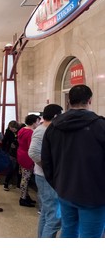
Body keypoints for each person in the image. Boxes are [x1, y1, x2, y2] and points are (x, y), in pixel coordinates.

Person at [42, 84, 105, 238]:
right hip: (94, 195)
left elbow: (46, 160)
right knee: (90, 238)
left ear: (68, 101)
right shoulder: (100, 125)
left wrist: (58, 185)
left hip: (65, 191)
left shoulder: (53, 127)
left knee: (69, 231)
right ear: (90, 100)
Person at [28, 104, 63, 238]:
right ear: (55, 116)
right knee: (54, 218)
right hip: (45, 177)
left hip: (44, 176)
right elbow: (33, 152)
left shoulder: (47, 129)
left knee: (46, 213)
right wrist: (49, 169)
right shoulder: (42, 130)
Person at [17, 114, 40, 207]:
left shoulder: (22, 130)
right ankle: (23, 198)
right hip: (27, 157)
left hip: (21, 154)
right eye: (38, 121)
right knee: (25, 178)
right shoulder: (31, 133)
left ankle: (25, 196)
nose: (38, 123)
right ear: (34, 122)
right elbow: (32, 147)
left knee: (24, 177)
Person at [1, 120, 21, 191]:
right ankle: (6, 183)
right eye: (10, 128)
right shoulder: (8, 132)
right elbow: (4, 141)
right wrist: (4, 151)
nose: (11, 129)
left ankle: (18, 184)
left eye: (12, 128)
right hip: (12, 153)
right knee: (11, 168)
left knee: (19, 169)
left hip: (19, 152)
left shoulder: (20, 131)